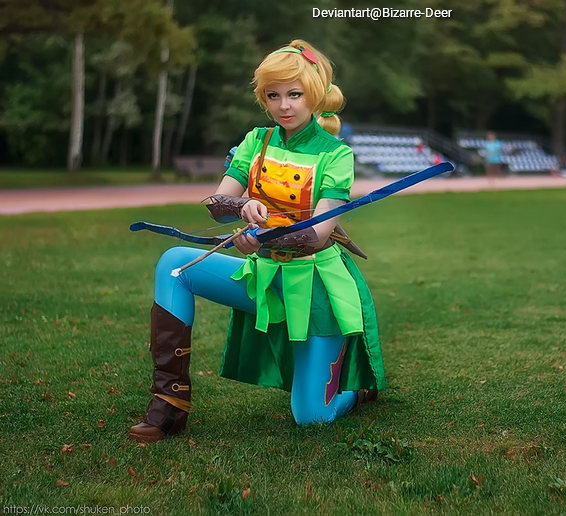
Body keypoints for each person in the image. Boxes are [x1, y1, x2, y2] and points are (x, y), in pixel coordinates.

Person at [128, 40, 385, 443]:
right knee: (175, 265)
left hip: (314, 288)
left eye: (294, 94)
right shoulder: (256, 140)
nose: (284, 105)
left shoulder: (337, 155)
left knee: (311, 418)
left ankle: (354, 390)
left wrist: (261, 235)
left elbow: (317, 237)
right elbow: (216, 203)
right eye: (274, 95)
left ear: (314, 95)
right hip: (262, 276)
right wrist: (242, 205)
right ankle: (170, 403)